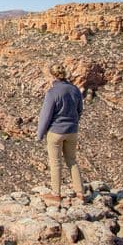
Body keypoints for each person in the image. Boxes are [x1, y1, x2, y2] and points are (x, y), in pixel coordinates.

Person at [36, 63, 85, 203]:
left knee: (56, 162)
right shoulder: (75, 90)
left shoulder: (53, 92)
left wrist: (40, 134)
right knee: (72, 160)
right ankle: (80, 192)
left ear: (52, 76)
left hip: (56, 132)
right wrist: (73, 122)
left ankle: (56, 194)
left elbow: (46, 115)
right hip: (72, 131)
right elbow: (79, 110)